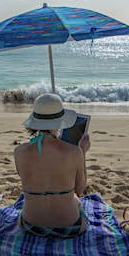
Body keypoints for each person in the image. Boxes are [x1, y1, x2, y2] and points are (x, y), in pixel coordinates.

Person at [14, 93, 91, 238]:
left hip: (30, 226)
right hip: (70, 227)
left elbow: (25, 177)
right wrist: (83, 153)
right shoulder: (74, 152)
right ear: (61, 120)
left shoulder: (19, 151)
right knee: (76, 200)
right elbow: (80, 189)